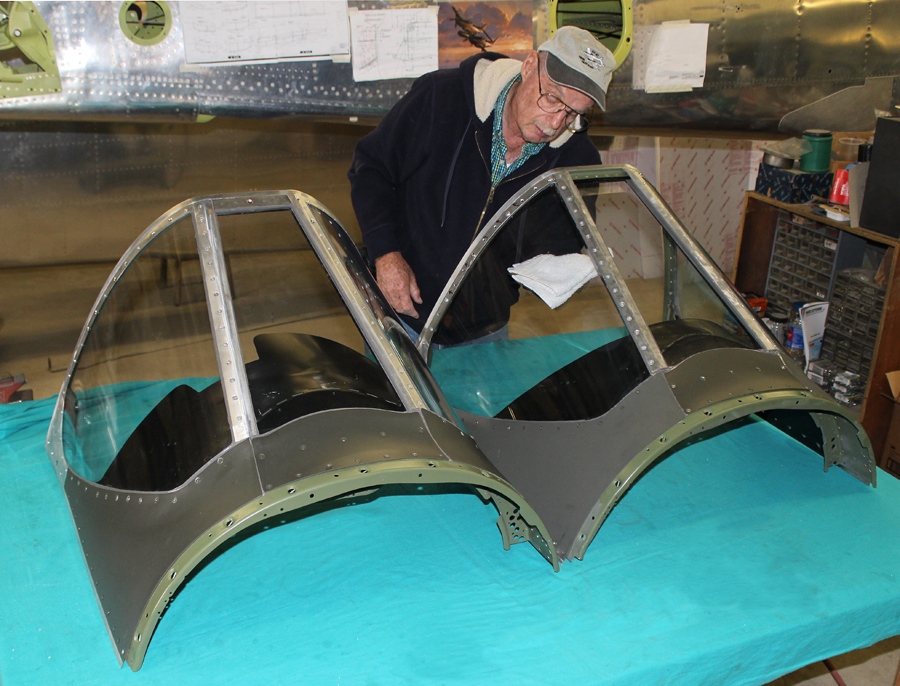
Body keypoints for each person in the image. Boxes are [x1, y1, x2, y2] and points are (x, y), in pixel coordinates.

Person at [348, 26, 615, 345]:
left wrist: (564, 265)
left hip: (484, 331)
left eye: (574, 113)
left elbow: (560, 245)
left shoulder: (577, 157)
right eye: (552, 99)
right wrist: (385, 254)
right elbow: (371, 168)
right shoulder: (441, 97)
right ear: (529, 67)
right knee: (386, 396)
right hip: (398, 311)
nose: (555, 123)